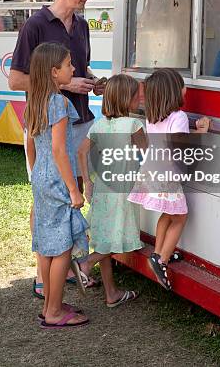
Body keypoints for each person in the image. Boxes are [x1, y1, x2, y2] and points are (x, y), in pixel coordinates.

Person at [8, 0, 105, 297]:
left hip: (79, 118)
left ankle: (71, 263)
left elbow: (80, 68)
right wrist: (66, 86)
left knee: (76, 192)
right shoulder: (35, 25)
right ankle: (43, 273)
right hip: (47, 125)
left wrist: (93, 81)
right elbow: (16, 79)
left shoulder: (82, 25)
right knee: (48, 194)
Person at [25, 43, 89, 328]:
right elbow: (61, 150)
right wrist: (74, 189)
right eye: (68, 64)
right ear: (54, 71)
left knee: (49, 246)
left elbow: (31, 145)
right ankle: (53, 312)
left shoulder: (35, 101)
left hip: (41, 177)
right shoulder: (59, 102)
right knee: (62, 247)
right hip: (59, 181)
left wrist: (38, 171)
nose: (73, 69)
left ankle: (52, 304)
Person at [128, 68, 209, 291]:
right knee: (181, 216)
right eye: (182, 86)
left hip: (152, 171)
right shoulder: (179, 117)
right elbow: (179, 146)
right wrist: (201, 132)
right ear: (173, 93)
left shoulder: (153, 117)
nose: (186, 89)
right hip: (167, 175)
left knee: (167, 213)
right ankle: (161, 260)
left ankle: (157, 252)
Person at [77, 74, 143, 307]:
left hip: (102, 187)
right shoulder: (134, 125)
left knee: (103, 239)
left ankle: (111, 293)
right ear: (127, 99)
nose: (140, 97)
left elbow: (82, 152)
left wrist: (87, 182)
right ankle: (85, 264)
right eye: (137, 94)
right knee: (116, 242)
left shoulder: (99, 125)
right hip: (122, 191)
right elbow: (151, 155)